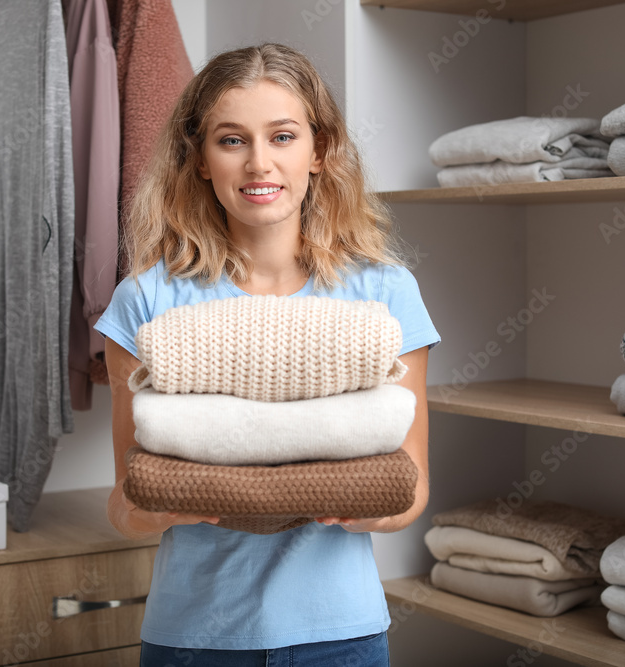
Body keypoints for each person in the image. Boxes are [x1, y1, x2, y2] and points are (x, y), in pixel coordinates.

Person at [94, 42, 440, 666]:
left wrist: (353, 506)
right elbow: (126, 500)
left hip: (340, 634)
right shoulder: (148, 302)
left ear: (320, 150)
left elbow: (409, 489)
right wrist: (170, 505)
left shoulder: (383, 297)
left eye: (282, 136)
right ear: (199, 158)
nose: (260, 164)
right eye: (232, 140)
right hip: (196, 637)